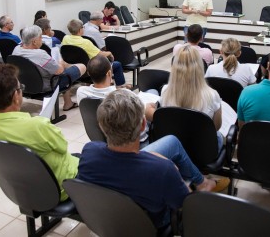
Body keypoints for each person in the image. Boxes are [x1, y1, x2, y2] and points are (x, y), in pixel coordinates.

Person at [77, 89, 229, 229]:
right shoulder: (162, 170)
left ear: (101, 125)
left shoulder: (89, 152)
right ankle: (202, 183)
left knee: (171, 142)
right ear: (143, 124)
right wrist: (178, 179)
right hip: (150, 224)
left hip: (107, 218)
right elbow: (185, 204)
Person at [0, 64, 79, 201]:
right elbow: (62, 147)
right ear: (16, 96)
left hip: (20, 188)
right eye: (20, 88)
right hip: (60, 188)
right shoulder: (38, 125)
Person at [147, 45, 224, 152]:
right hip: (202, 151)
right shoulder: (212, 95)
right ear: (200, 67)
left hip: (173, 145)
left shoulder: (165, 91)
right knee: (219, 136)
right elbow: (215, 127)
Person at [76, 55, 154, 147]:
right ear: (109, 73)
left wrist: (117, 88)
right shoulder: (125, 95)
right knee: (152, 93)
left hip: (104, 138)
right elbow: (145, 113)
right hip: (133, 143)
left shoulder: (81, 92)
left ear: (89, 73)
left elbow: (102, 92)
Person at [12, 25, 85, 111]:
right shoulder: (40, 55)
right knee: (81, 66)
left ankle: (68, 102)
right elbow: (59, 71)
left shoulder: (16, 50)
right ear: (34, 41)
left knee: (64, 69)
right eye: (40, 38)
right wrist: (61, 63)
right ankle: (68, 103)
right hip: (47, 85)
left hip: (25, 84)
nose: (42, 41)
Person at [61, 19, 131, 89]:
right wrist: (109, 53)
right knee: (117, 64)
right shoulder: (85, 42)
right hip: (90, 70)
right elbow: (100, 54)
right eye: (83, 27)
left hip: (74, 69)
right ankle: (120, 86)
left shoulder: (65, 38)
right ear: (80, 30)